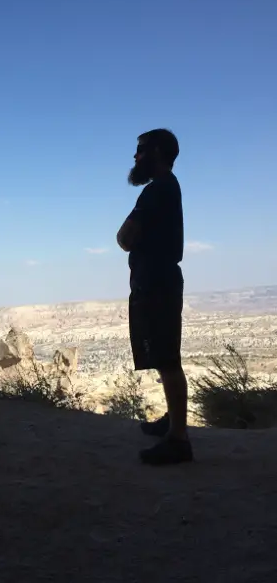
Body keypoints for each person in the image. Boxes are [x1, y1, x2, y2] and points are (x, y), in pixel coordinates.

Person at [116, 128, 193, 466]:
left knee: (168, 360)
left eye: (141, 150)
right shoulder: (167, 188)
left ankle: (179, 439)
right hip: (160, 281)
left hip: (157, 283)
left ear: (158, 152)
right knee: (164, 356)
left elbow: (125, 237)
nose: (135, 157)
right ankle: (172, 422)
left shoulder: (156, 190)